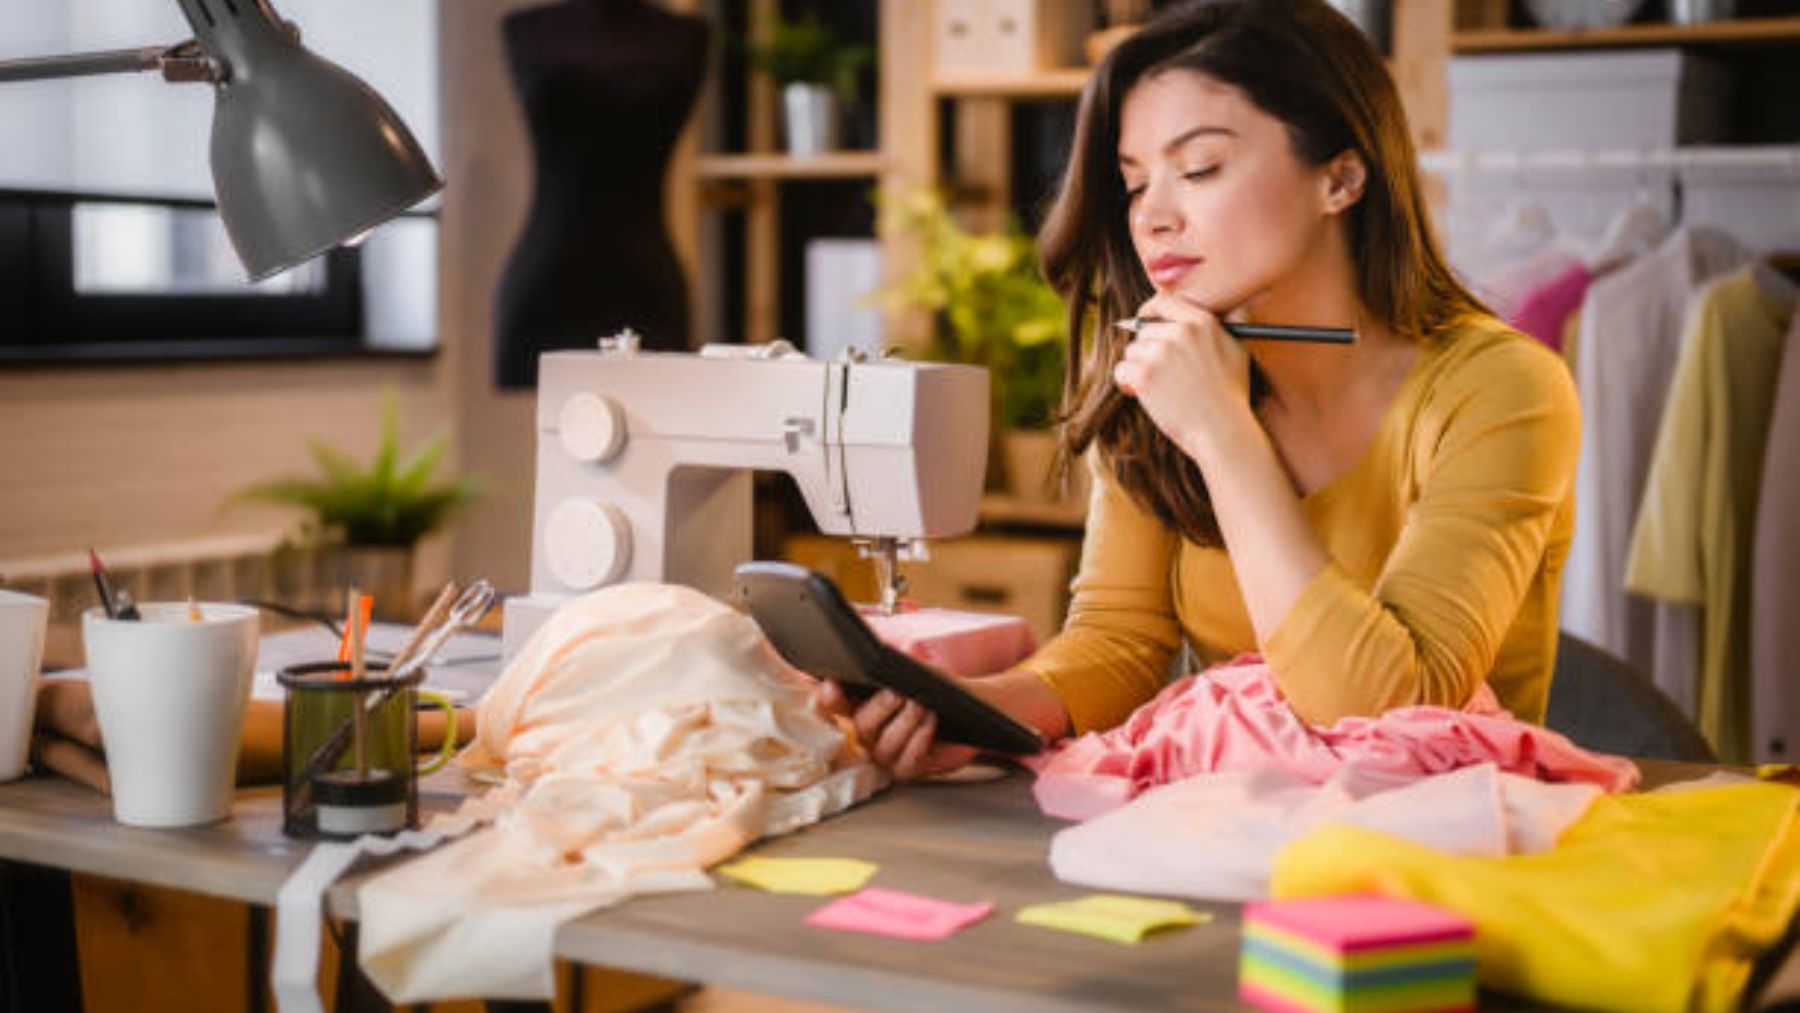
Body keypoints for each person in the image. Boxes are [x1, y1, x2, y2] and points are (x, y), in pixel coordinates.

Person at [821, 0, 1580, 780]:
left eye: (1200, 169)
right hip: (1237, 816)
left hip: (1445, 838)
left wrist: (1222, 434)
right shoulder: (1167, 365)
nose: (1152, 217)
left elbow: (1388, 709)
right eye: (1135, 182)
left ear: (1342, 177)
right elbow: (1118, 644)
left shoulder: (1502, 387)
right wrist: (974, 711)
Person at [492, 0, 711, 388]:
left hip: (647, 278)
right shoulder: (525, 28)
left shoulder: (688, 36)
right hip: (547, 275)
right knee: (547, 436)